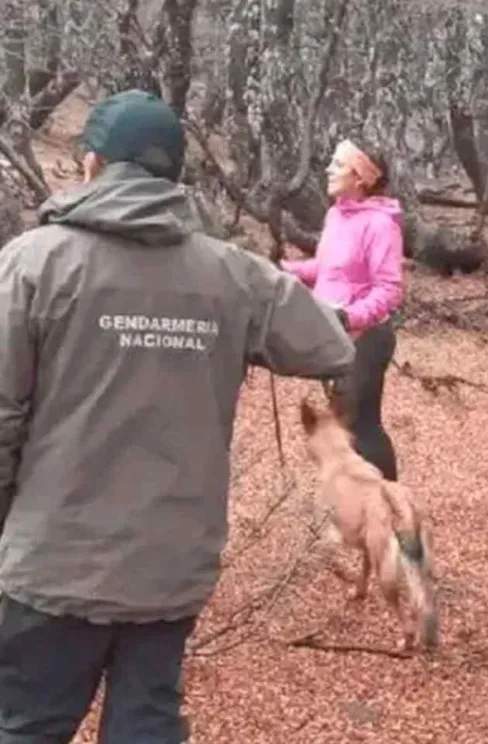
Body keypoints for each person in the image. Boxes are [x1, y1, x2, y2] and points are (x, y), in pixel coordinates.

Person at [0, 89, 356, 744]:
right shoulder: (230, 275)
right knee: (146, 727)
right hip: (171, 568)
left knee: (26, 728)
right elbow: (331, 344)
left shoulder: (33, 263)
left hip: (53, 564)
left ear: (90, 166)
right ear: (174, 178)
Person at [281, 138, 404, 481]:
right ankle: (360, 506)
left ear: (360, 177)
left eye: (338, 164)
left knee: (360, 425)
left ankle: (393, 509)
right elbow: (325, 269)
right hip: (336, 334)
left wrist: (350, 317)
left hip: (367, 337)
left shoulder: (381, 225)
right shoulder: (336, 215)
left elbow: (390, 290)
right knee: (345, 424)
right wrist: (281, 270)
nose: (328, 169)